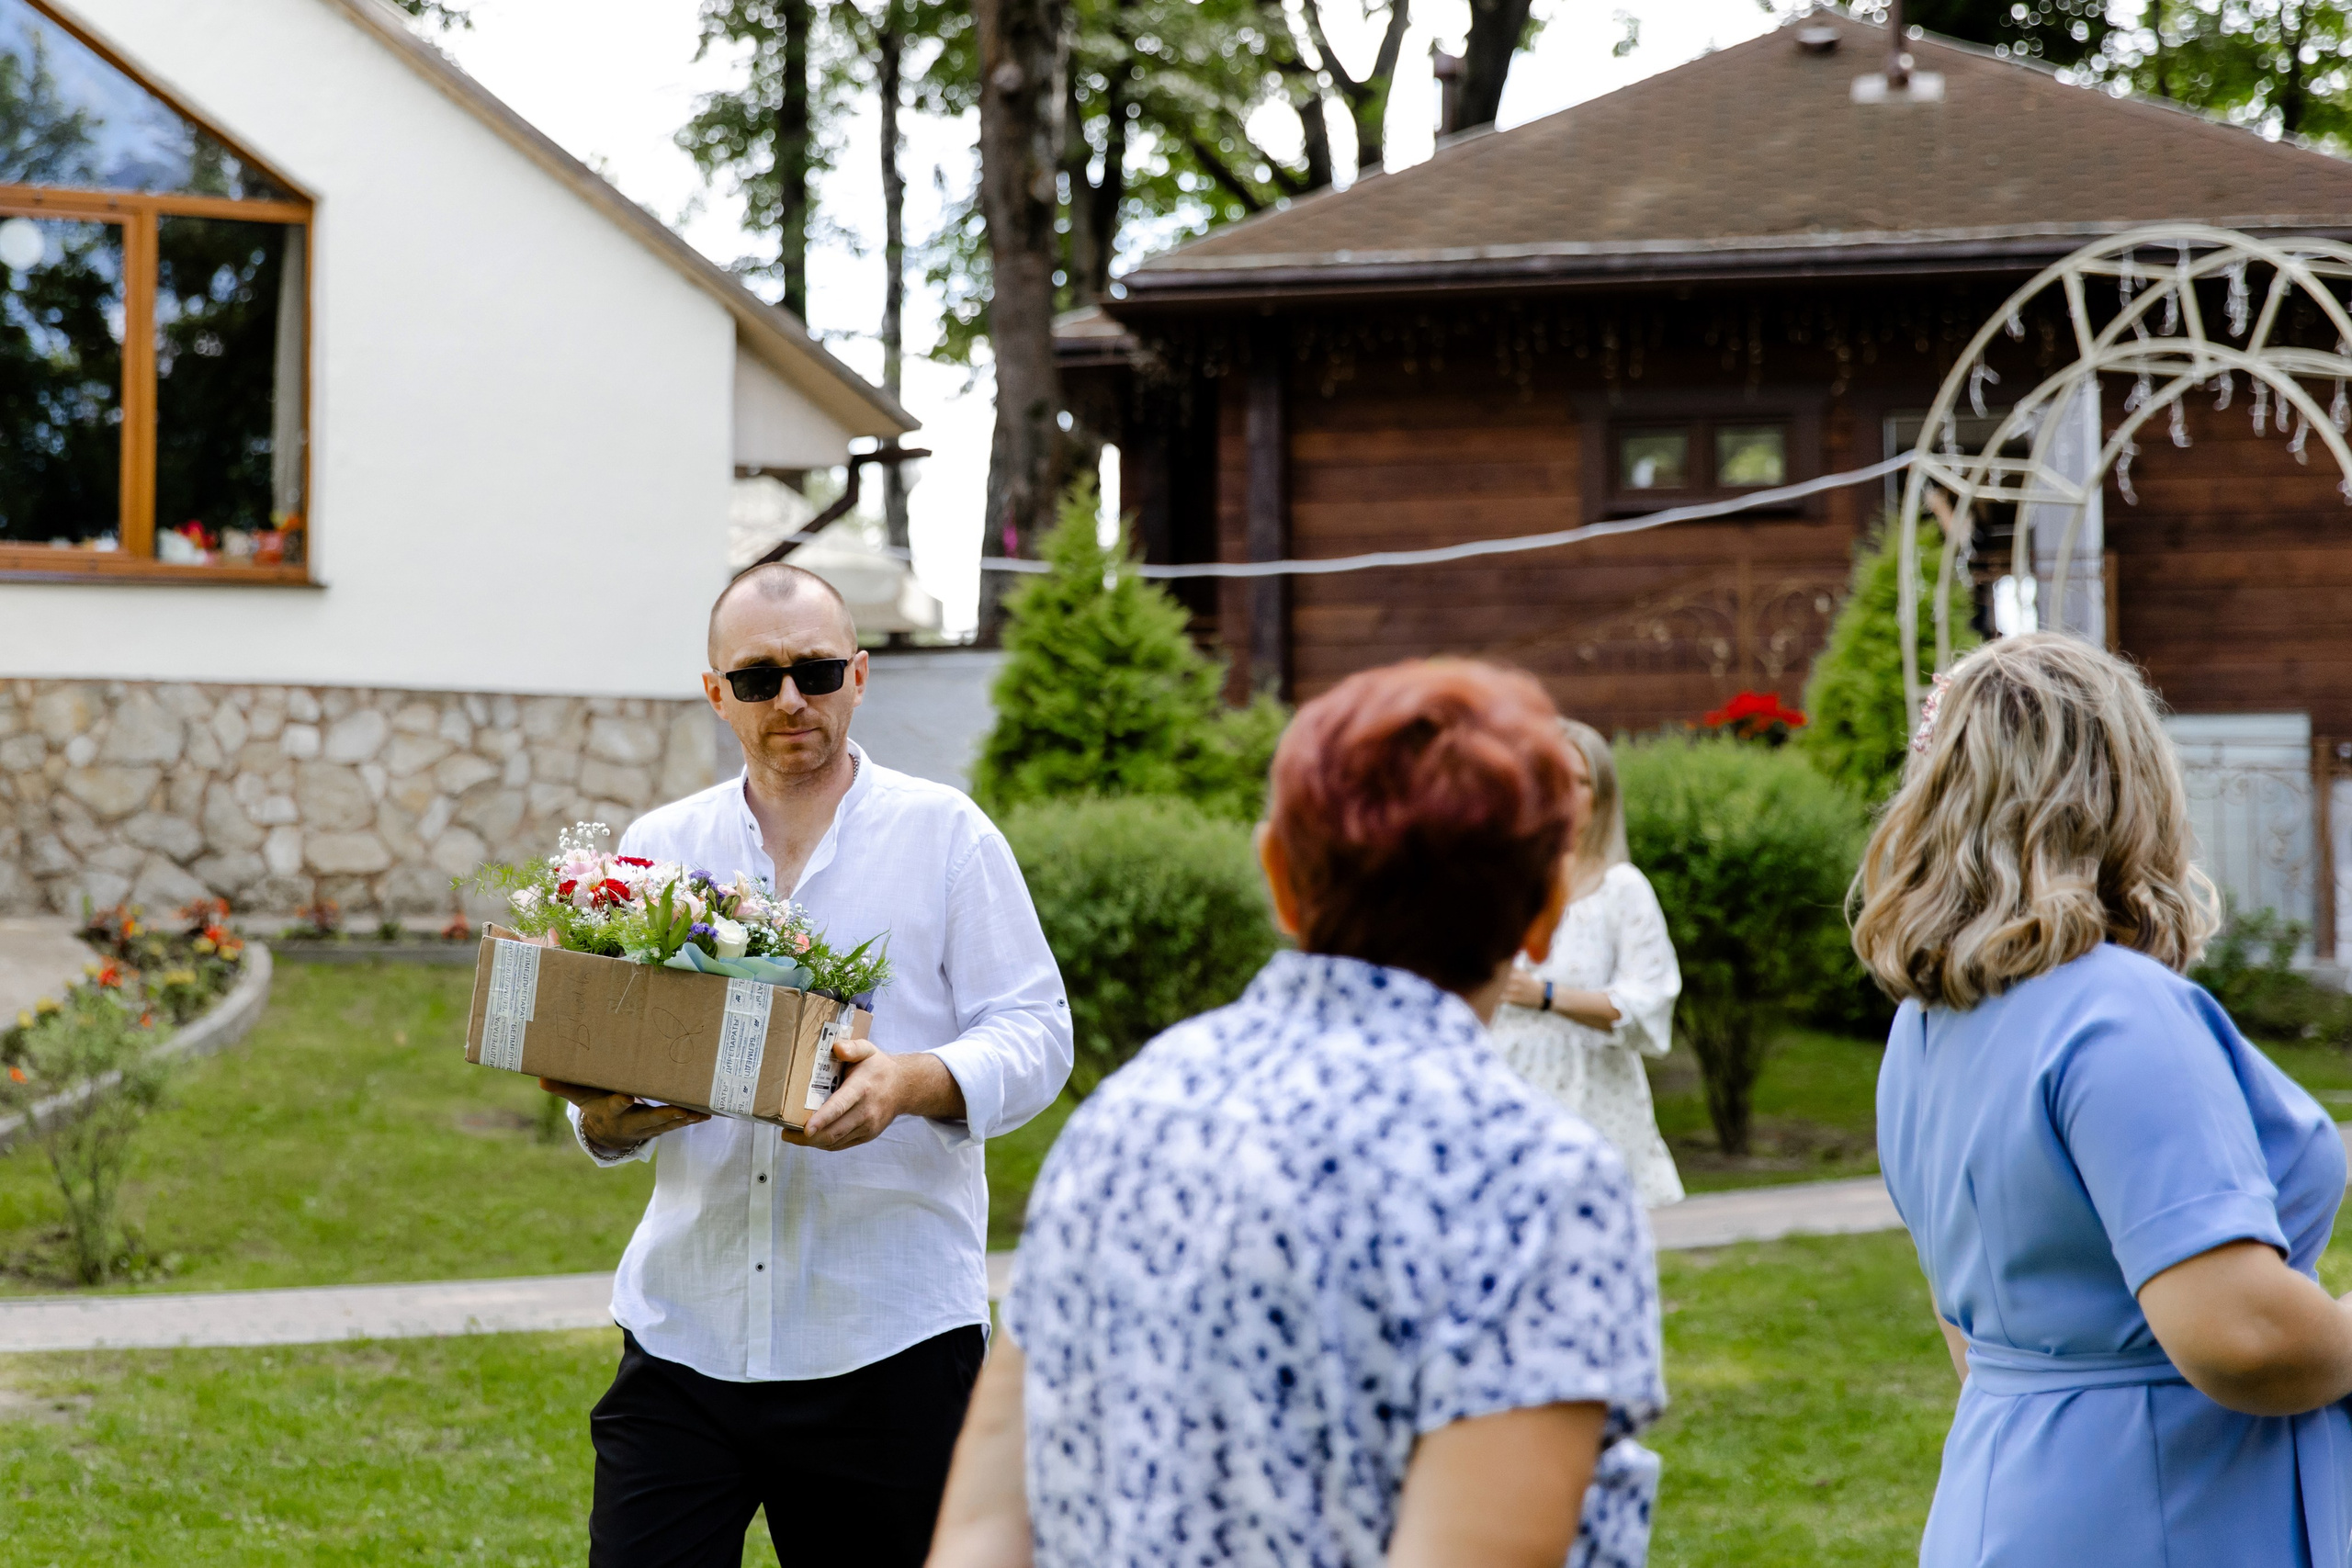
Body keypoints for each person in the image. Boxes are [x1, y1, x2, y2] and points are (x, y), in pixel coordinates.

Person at [928, 659, 1666, 1568]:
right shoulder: (1542, 1186)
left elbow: (980, 1533)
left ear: (1277, 876)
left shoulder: (1126, 1116)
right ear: (1547, 910)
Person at [539, 562, 1074, 1568]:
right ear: (715, 695)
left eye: (816, 671)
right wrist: (600, 1124)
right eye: (756, 678)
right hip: (684, 1333)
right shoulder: (659, 848)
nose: (790, 699)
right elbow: (608, 1057)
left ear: (860, 677)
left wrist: (910, 1082)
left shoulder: (948, 837)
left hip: (887, 1343)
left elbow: (1037, 1032)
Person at [1859, 632, 2352, 1568]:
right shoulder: (2120, 1012)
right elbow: (2240, 1334)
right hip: (2165, 1507)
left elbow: (1968, 1330)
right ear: (2126, 789)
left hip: (2002, 1494)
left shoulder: (1926, 1030)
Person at [1492, 718, 1685, 1208]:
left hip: (1594, 1098)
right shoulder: (1494, 882)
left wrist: (1547, 997)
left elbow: (1649, 1000)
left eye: (1580, 782)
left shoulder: (1621, 889)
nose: (1564, 794)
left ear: (1600, 797)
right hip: (1507, 1096)